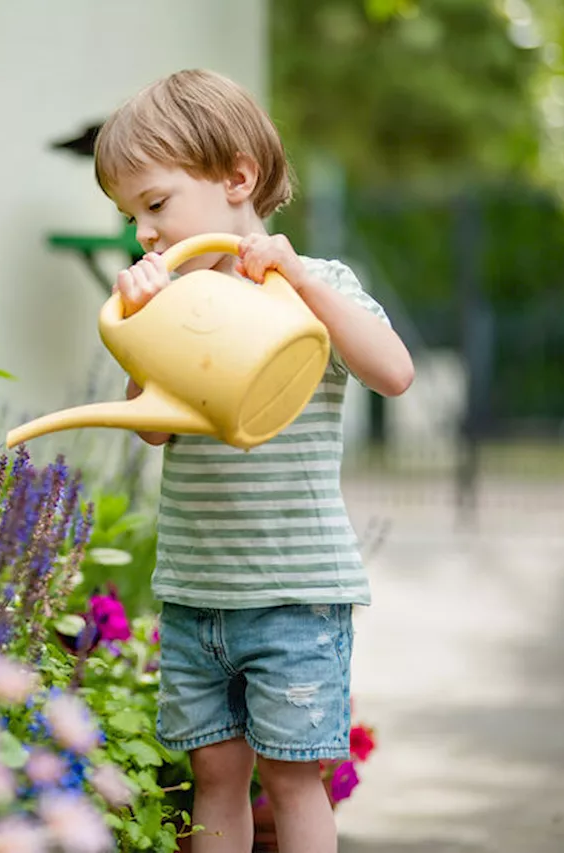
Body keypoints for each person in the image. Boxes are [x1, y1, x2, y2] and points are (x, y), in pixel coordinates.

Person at [93, 69, 414, 853]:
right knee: (214, 775)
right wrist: (140, 323)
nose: (144, 231)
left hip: (295, 594)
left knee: (294, 776)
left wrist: (304, 283)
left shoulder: (314, 289)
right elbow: (153, 427)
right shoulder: (173, 303)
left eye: (157, 203)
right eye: (132, 214)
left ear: (238, 177)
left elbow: (394, 372)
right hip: (199, 590)